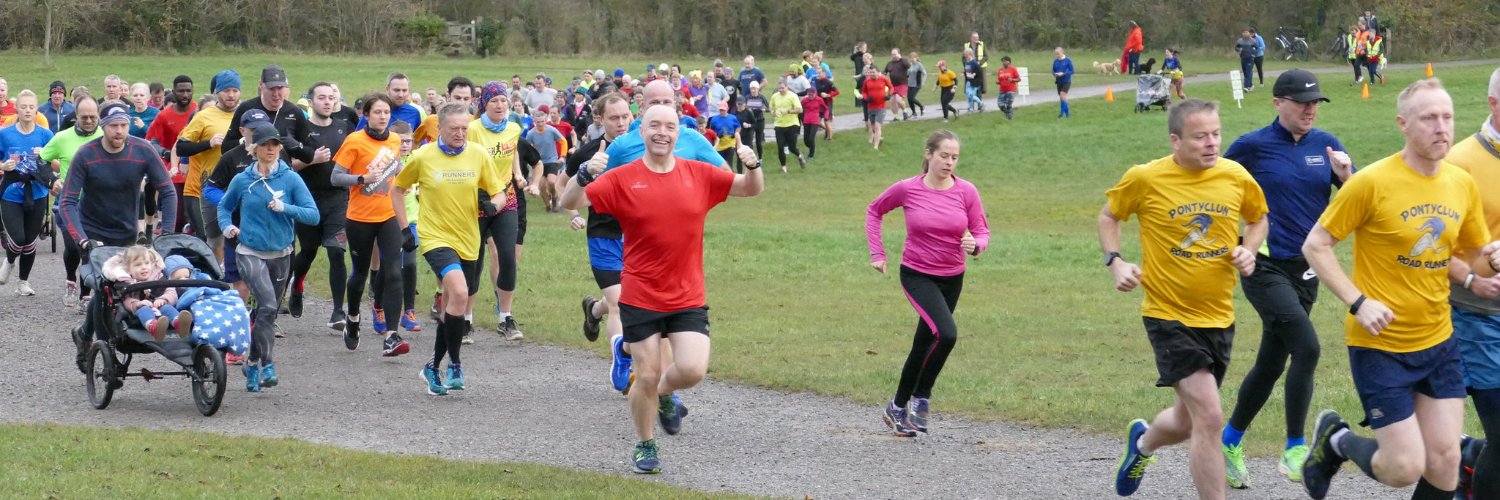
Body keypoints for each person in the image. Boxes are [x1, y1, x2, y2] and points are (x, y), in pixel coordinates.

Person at [1300, 79, 1500, 500]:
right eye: (1429, 118)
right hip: (1381, 343)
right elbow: (1315, 245)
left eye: (1447, 117)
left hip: (1439, 338)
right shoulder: (1371, 183)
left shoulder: (1460, 183)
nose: (1441, 127)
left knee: (1445, 462)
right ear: (1403, 124)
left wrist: (1484, 266)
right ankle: (1336, 440)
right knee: (1404, 467)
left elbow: (1469, 251)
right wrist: (1358, 302)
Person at [562, 104, 762, 474]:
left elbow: (750, 189)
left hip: (687, 294)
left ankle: (662, 394)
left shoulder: (698, 174)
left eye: (669, 126)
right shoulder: (625, 177)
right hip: (640, 294)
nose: (661, 132)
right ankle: (645, 444)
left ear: (678, 133)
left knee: (692, 369)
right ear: (642, 131)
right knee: (648, 373)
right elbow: (568, 202)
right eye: (654, 125)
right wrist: (583, 177)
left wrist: (752, 165)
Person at [1103, 99, 1269, 499]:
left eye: (1216, 134)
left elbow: (1258, 217)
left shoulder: (1235, 175)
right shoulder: (1145, 178)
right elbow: (1110, 216)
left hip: (1219, 317)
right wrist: (1116, 262)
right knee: (1210, 418)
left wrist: (1249, 248)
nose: (1212, 143)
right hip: (1167, 315)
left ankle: (1143, 443)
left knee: (1187, 421)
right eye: (1200, 137)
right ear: (1176, 141)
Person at [1218, 70, 1351, 489]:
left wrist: (1347, 176)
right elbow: (1214, 190)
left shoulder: (1327, 146)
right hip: (1263, 264)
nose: (1310, 108)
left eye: (1315, 102)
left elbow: (1360, 204)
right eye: (1301, 102)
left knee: (1272, 361)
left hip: (1308, 269)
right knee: (1307, 348)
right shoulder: (1251, 147)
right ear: (1278, 103)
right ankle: (1296, 446)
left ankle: (1230, 439)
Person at [867, 129, 989, 436]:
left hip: (953, 276)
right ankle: (921, 399)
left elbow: (981, 230)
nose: (950, 163)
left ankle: (896, 407)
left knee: (924, 344)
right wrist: (877, 253)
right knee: (946, 334)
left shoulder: (967, 191)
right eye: (944, 156)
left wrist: (976, 245)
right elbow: (874, 211)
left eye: (955, 158)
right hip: (917, 274)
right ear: (929, 154)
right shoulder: (908, 189)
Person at [393, 103, 504, 396]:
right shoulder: (422, 157)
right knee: (459, 292)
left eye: (465, 128)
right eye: (454, 128)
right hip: (435, 236)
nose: (460, 133)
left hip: (468, 239)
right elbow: (397, 189)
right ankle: (455, 364)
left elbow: (499, 191)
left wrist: (494, 205)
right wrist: (404, 228)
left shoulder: (478, 154)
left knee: (454, 306)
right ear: (439, 128)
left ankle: (433, 366)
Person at [60, 102, 178, 370]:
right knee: (103, 291)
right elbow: (67, 201)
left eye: (124, 125)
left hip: (126, 235)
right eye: (113, 126)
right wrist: (81, 239)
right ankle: (107, 350)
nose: (119, 131)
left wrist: (166, 233)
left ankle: (83, 333)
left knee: (123, 290)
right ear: (103, 127)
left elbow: (168, 192)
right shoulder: (86, 154)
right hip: (93, 236)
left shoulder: (142, 150)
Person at [217, 122, 319, 392]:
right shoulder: (242, 180)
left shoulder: (291, 179)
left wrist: (285, 207)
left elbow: (313, 214)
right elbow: (224, 208)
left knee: (266, 311)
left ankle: (251, 362)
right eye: (265, 145)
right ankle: (269, 364)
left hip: (282, 254)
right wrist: (228, 227)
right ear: (254, 148)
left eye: (275, 145)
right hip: (249, 251)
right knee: (266, 304)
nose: (271, 149)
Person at [1444, 65, 1500, 500]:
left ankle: (1467, 458)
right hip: (1476, 318)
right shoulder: (1459, 163)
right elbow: (1425, 246)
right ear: (1493, 104)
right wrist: (1472, 273)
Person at [330, 93, 409, 357]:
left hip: (388, 216)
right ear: (366, 115)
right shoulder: (355, 141)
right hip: (360, 219)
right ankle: (352, 319)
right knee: (360, 275)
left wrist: (401, 179)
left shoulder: (395, 139)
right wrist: (362, 178)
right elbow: (336, 177)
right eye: (377, 112)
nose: (383, 116)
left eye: (386, 112)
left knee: (394, 272)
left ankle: (391, 335)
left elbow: (396, 166)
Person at [565, 92, 632, 367]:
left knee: (629, 300)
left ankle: (594, 309)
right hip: (603, 236)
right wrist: (572, 212)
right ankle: (623, 365)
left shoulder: (642, 146)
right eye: (614, 118)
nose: (621, 123)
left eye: (625, 116)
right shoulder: (588, 152)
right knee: (619, 304)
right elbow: (562, 186)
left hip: (639, 236)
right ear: (599, 119)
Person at [282, 80, 352, 330]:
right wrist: (311, 160)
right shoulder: (302, 130)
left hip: (338, 199)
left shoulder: (346, 128)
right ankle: (297, 285)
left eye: (330, 98)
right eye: (321, 98)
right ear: (310, 102)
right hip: (306, 199)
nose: (327, 102)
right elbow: (287, 166)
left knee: (336, 251)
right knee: (309, 251)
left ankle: (337, 312)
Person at [467, 82, 527, 341]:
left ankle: (506, 317)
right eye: (494, 101)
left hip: (506, 198)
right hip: (475, 201)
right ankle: (465, 319)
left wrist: (518, 174)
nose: (500, 105)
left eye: (503, 100)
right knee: (473, 261)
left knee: (507, 258)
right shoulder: (472, 129)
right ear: (484, 104)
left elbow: (511, 150)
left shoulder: (514, 127)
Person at [41, 97, 102, 309]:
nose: (88, 120)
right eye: (84, 117)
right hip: (68, 202)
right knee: (74, 247)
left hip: (96, 204)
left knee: (88, 248)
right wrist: (51, 180)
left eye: (93, 117)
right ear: (75, 115)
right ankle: (70, 280)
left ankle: (86, 295)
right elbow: (41, 160)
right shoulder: (62, 137)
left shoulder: (106, 136)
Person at [0, 90, 57, 297]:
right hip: (11, 192)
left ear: (36, 110)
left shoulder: (45, 135)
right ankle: (9, 260)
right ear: (16, 108)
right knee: (18, 238)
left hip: (38, 192)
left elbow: (54, 164)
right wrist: (3, 165)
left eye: (31, 107)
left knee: (30, 240)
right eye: (23, 107)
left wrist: (46, 159)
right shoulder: (5, 134)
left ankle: (23, 282)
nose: (27, 110)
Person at [176, 70, 241, 249]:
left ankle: (239, 275)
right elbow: (181, 147)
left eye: (235, 90)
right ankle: (217, 274)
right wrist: (208, 143)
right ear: (216, 92)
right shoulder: (203, 117)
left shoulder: (246, 113)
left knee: (241, 234)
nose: (231, 95)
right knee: (214, 236)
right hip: (212, 184)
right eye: (226, 90)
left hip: (243, 182)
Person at [100, 245, 192, 341]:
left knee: (167, 308)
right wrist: (137, 303)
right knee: (144, 310)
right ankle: (154, 328)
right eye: (138, 265)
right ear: (128, 269)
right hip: (140, 315)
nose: (144, 267)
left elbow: (171, 291)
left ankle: (179, 324)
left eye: (147, 263)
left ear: (152, 264)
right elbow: (126, 300)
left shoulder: (159, 277)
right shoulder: (126, 283)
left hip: (160, 308)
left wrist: (164, 299)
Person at [145, 75, 197, 235]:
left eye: (188, 91)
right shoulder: (164, 116)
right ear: (173, 92)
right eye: (181, 91)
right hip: (174, 172)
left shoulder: (198, 112)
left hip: (196, 171)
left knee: (195, 220)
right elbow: (151, 142)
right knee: (178, 217)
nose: (185, 94)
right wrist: (166, 153)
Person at [357, 73, 424, 131]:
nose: (401, 95)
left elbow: (420, 141)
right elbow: (357, 138)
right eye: (396, 90)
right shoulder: (375, 112)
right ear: (387, 89)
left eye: (404, 90)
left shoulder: (414, 113)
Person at [769, 81, 805, 173]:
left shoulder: (792, 96)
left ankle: (799, 156)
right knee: (780, 147)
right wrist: (772, 112)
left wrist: (788, 111)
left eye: (783, 88)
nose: (781, 90)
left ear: (787, 87)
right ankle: (784, 168)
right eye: (779, 88)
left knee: (792, 147)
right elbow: (771, 106)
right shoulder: (775, 96)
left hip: (792, 124)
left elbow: (800, 110)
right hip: (779, 125)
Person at [858, 65, 893, 150]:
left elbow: (891, 87)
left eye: (873, 72)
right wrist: (866, 98)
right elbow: (863, 91)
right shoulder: (867, 81)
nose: (872, 74)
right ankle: (879, 138)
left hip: (881, 106)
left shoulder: (883, 79)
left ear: (878, 72)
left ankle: (875, 146)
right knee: (873, 126)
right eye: (870, 73)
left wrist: (889, 95)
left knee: (877, 126)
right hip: (871, 107)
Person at [800, 86, 826, 161]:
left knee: (811, 138)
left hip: (815, 121)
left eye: (812, 94)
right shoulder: (805, 100)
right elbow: (800, 108)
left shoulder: (819, 100)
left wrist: (822, 116)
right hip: (806, 120)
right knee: (806, 139)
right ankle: (811, 147)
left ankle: (811, 154)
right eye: (809, 94)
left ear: (815, 94)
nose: (810, 96)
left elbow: (825, 109)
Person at [885, 49, 912, 119]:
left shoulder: (903, 61)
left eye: (895, 54)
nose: (893, 56)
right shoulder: (890, 63)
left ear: (899, 54)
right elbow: (884, 71)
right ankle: (896, 117)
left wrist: (901, 58)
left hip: (902, 84)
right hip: (893, 85)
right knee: (892, 101)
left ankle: (905, 111)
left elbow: (908, 66)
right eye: (892, 54)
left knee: (898, 99)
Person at [994, 56, 1020, 121]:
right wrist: (998, 82)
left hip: (1011, 90)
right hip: (1002, 90)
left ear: (1009, 62)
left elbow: (1019, 79)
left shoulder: (1013, 69)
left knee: (1008, 104)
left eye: (1005, 61)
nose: (1004, 62)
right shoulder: (1000, 70)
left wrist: (1012, 80)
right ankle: (1009, 113)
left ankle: (1009, 117)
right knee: (1000, 105)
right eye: (1003, 61)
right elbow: (1000, 79)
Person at [1053, 48, 1075, 118]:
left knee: (1062, 95)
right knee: (1062, 98)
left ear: (1062, 52)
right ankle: (1068, 114)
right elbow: (1053, 70)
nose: (1057, 55)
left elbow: (1072, 71)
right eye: (1056, 54)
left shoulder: (1068, 60)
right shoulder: (1055, 61)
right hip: (1059, 81)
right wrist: (1055, 74)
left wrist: (1064, 73)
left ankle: (1061, 114)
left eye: (1058, 54)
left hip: (1066, 81)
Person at [907, 52, 927, 117]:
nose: (912, 59)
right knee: (909, 99)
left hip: (917, 84)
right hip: (910, 84)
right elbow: (907, 74)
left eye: (914, 57)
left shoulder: (919, 65)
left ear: (917, 58)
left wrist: (923, 82)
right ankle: (914, 113)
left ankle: (921, 106)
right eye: (911, 58)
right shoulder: (910, 65)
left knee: (911, 98)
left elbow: (925, 74)